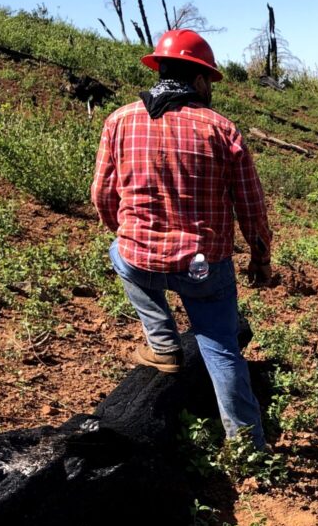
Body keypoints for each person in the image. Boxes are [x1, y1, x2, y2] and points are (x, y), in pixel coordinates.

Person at [92, 30, 273, 449]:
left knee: (118, 252)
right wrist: (260, 259)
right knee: (222, 350)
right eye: (209, 80)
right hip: (203, 267)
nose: (210, 89)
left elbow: (103, 194)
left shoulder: (118, 121)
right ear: (197, 80)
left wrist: (126, 232)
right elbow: (251, 207)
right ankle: (248, 446)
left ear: (160, 70)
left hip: (140, 258)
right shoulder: (221, 129)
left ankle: (162, 344)